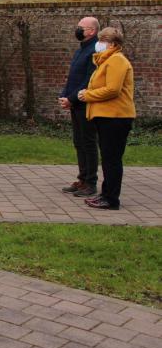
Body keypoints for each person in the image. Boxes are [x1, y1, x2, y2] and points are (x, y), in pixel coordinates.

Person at [77, 27, 135, 211]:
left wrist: (88, 95)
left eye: (102, 40)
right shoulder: (105, 61)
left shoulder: (117, 60)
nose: (99, 44)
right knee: (108, 158)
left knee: (112, 159)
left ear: (112, 44)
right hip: (106, 116)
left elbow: (112, 89)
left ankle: (111, 199)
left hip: (116, 117)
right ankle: (105, 194)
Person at [58, 17, 100, 198]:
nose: (78, 30)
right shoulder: (81, 50)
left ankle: (90, 182)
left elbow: (89, 80)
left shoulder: (94, 51)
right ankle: (82, 178)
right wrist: (64, 95)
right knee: (79, 142)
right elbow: (73, 77)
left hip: (86, 104)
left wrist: (72, 99)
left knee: (88, 143)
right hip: (75, 103)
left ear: (92, 31)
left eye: (81, 28)